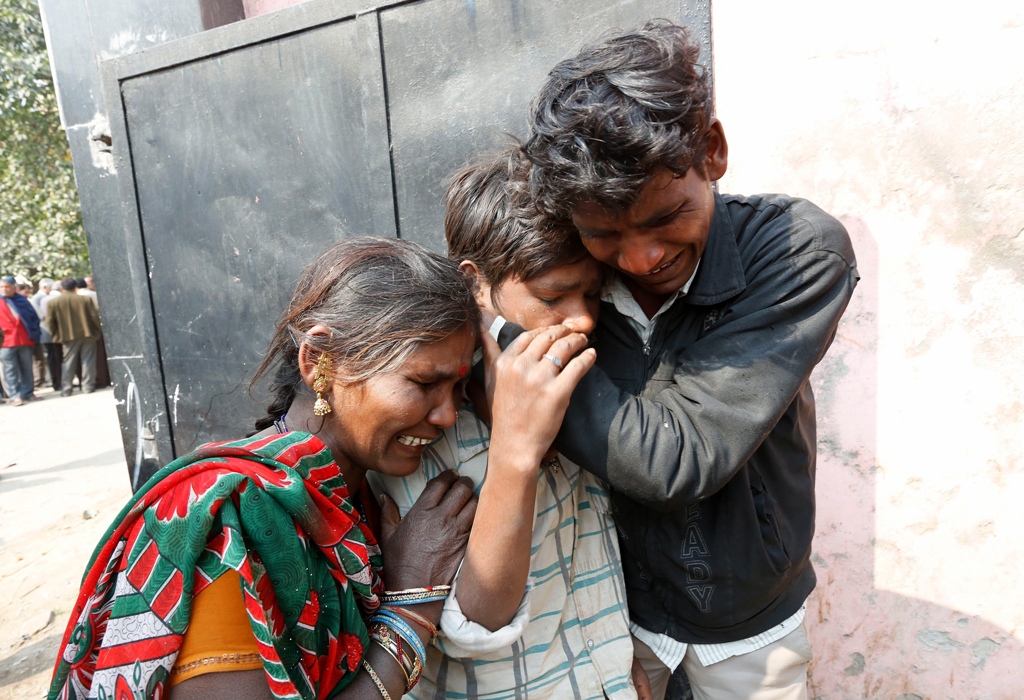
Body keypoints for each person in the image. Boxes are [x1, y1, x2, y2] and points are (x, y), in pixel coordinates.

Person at [48, 237, 589, 700]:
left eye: (455, 387)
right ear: (319, 361)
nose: (446, 415)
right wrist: (409, 614)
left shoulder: (361, 497)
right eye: (424, 384)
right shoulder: (231, 518)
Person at [500, 20, 861, 700]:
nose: (640, 259)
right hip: (613, 606)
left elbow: (680, 458)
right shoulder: (572, 267)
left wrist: (509, 346)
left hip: (748, 620)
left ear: (713, 151)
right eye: (605, 233)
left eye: (666, 217)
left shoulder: (794, 251)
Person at [369, 151, 635, 699]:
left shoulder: (589, 390)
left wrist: (619, 669)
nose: (582, 318)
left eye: (591, 294)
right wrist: (516, 452)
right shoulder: (429, 429)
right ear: (476, 285)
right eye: (551, 296)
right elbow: (474, 628)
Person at [45, 277, 102, 396]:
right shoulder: (85, 300)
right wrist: (98, 331)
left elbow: (50, 322)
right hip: (88, 334)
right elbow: (94, 317)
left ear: (62, 287)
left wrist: (55, 336)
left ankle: (66, 388)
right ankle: (88, 386)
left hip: (67, 337)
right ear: (75, 287)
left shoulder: (53, 302)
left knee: (68, 362)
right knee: (88, 360)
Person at [0, 275, 42, 406]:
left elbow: (33, 318)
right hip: (6, 341)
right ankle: (14, 395)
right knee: (10, 369)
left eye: (7, 287)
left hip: (24, 339)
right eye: (2, 287)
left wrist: (34, 334)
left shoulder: (22, 300)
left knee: (26, 367)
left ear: (13, 287)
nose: (4, 289)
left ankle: (28, 393)